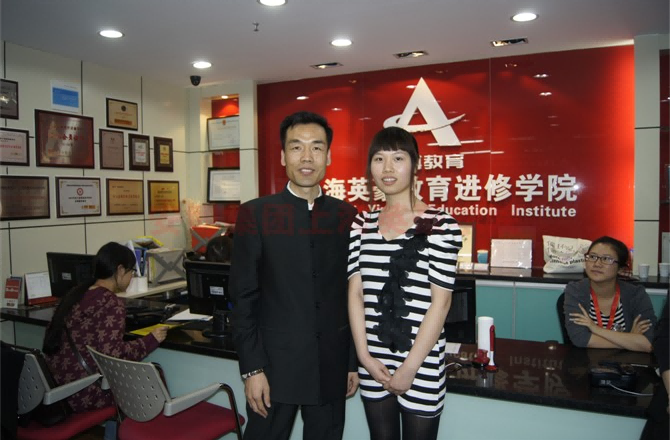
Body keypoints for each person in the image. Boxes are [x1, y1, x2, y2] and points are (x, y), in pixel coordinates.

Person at [229, 111, 359, 440]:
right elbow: (243, 298)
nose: (307, 157)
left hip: (330, 366)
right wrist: (252, 369)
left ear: (328, 156)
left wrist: (351, 363)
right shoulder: (256, 213)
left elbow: (352, 296)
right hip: (273, 369)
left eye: (317, 147)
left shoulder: (348, 216)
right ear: (283, 156)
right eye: (297, 147)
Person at [347, 126, 462, 440]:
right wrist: (364, 357)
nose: (387, 168)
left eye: (398, 158)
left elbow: (441, 303)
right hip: (373, 361)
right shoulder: (361, 223)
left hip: (420, 362)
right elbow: (356, 293)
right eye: (379, 159)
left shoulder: (440, 225)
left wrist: (409, 368)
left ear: (416, 165)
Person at [42, 242, 168, 439]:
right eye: (131, 272)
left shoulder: (75, 294)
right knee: (152, 379)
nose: (131, 277)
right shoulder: (111, 303)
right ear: (120, 270)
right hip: (84, 392)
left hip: (57, 389)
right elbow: (114, 357)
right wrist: (151, 340)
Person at [565, 236, 656, 352]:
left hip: (627, 361)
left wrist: (596, 329)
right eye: (592, 257)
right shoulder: (576, 290)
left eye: (606, 259)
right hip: (587, 361)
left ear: (621, 269)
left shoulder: (636, 294)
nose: (597, 264)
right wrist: (630, 339)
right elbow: (580, 339)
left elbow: (649, 344)